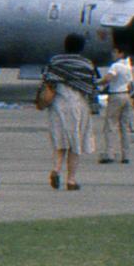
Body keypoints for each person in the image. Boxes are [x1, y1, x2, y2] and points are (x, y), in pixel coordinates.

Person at [41, 34, 99, 190]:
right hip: (77, 105)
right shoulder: (86, 64)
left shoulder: (55, 61)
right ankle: (71, 180)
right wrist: (94, 107)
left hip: (57, 104)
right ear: (82, 47)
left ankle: (56, 169)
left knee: (59, 141)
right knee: (75, 144)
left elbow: (46, 80)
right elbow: (92, 87)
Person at [100, 51, 134, 165]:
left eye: (115, 52)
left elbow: (108, 78)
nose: (113, 54)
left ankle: (109, 153)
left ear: (121, 53)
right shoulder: (128, 67)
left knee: (110, 125)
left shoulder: (115, 66)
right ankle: (126, 155)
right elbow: (130, 84)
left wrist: (97, 83)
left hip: (116, 95)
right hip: (126, 95)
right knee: (124, 126)